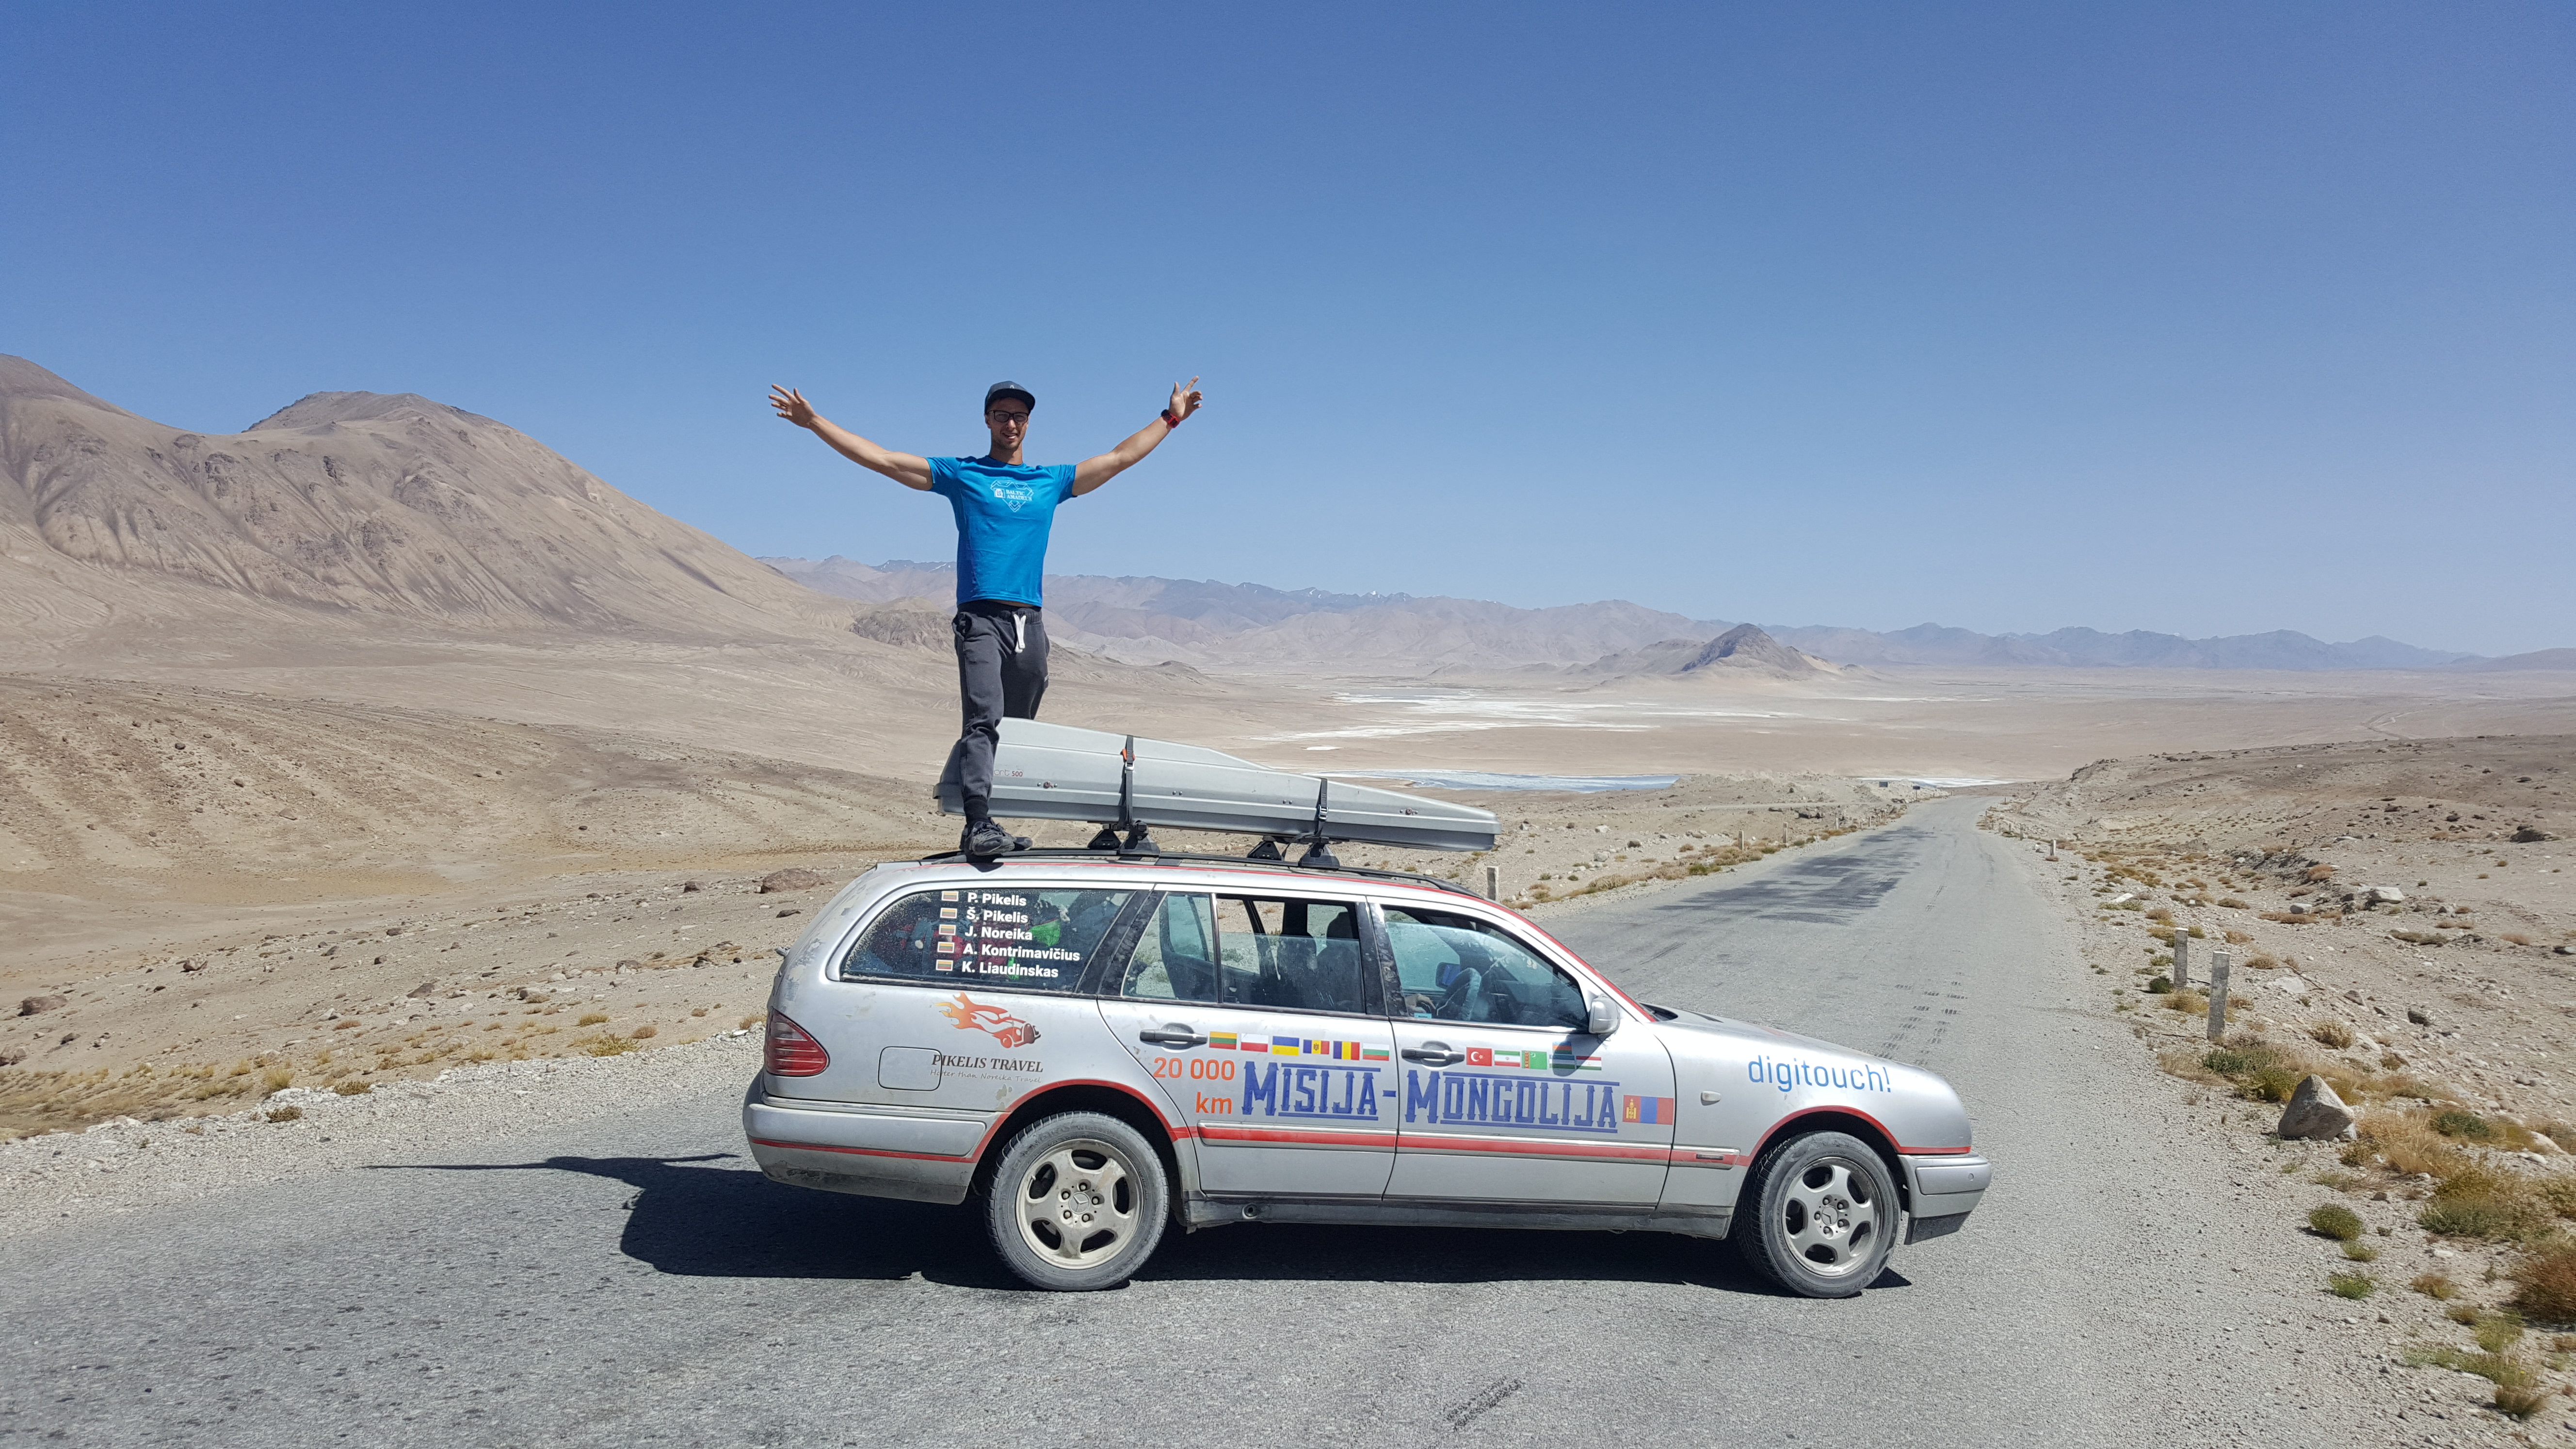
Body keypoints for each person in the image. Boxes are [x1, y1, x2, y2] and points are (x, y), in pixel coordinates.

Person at [769, 375, 1206, 858]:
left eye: (1019, 415)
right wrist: (814, 424)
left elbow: (1119, 458)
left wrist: (1170, 419)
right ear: (987, 420)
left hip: (1030, 623)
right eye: (1002, 414)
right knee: (982, 719)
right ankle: (976, 823)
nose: (1011, 422)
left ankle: (992, 817)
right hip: (980, 618)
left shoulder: (1050, 482)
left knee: (1016, 727)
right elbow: (887, 461)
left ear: (1028, 422)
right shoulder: (965, 474)